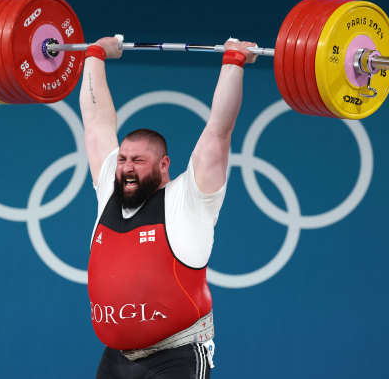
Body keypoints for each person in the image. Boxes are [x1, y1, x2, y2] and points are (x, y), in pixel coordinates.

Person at [79, 36, 257, 379]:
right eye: (123, 159)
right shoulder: (109, 189)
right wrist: (94, 55)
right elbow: (96, 122)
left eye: (139, 161)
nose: (126, 167)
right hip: (116, 359)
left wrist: (233, 62)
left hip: (176, 356)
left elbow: (219, 132)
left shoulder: (188, 198)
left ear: (164, 165)